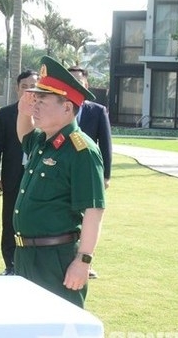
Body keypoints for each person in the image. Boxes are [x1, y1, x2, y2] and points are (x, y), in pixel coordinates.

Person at [15, 55, 106, 308]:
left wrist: (83, 261)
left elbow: (94, 210)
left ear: (67, 107)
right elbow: (24, 135)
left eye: (42, 101)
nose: (36, 106)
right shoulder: (44, 141)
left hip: (56, 259)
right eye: (35, 100)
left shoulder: (81, 150)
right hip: (26, 254)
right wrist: (24, 111)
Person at [0, 69, 38, 276]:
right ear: (17, 89)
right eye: (24, 87)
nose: (29, 90)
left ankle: (32, 264)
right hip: (11, 176)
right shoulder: (5, 114)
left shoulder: (45, 113)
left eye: (33, 86)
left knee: (35, 220)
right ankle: (10, 263)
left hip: (38, 177)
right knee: (9, 221)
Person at [67, 65, 112, 280]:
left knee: (89, 218)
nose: (76, 84)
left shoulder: (97, 110)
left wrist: (106, 176)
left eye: (79, 81)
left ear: (86, 85)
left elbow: (106, 144)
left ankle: (86, 260)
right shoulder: (60, 108)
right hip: (64, 173)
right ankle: (68, 257)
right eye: (71, 81)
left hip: (88, 174)